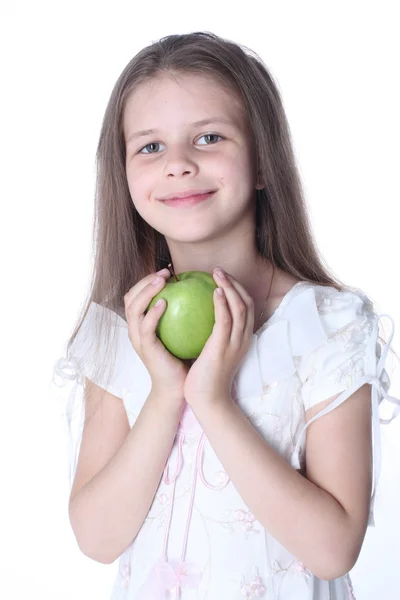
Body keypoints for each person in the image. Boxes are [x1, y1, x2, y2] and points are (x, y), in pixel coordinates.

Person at [52, 31, 400, 599]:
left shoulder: (326, 326)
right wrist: (167, 395)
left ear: (263, 163)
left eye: (208, 137)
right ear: (125, 177)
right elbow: (97, 537)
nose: (179, 165)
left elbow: (333, 550)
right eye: (150, 147)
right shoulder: (122, 332)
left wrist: (212, 400)